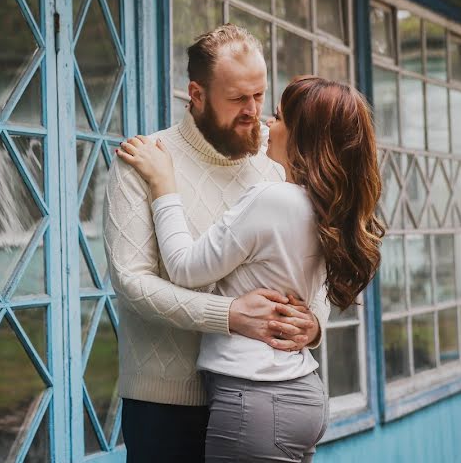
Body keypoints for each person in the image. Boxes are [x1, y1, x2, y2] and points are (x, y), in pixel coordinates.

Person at [118, 76, 385, 462]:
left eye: (277, 116)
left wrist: (163, 183)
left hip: (257, 399)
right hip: (298, 393)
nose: (265, 124)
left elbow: (183, 268)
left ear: (301, 136)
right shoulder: (325, 206)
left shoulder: (273, 198)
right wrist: (311, 326)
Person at [103, 24, 330, 463]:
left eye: (260, 96)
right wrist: (229, 316)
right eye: (238, 99)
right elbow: (131, 283)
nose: (254, 113)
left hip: (265, 395)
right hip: (165, 403)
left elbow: (311, 254)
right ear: (198, 94)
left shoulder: (277, 158)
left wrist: (315, 322)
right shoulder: (145, 161)